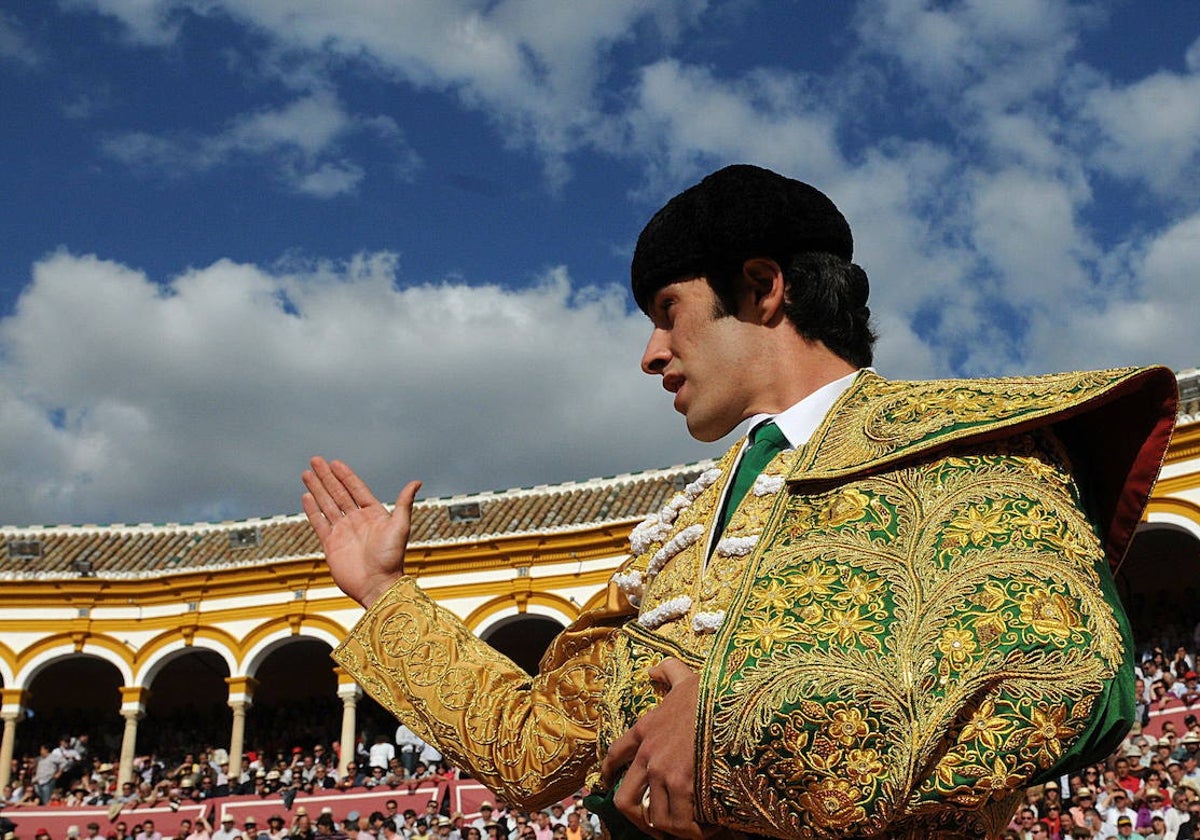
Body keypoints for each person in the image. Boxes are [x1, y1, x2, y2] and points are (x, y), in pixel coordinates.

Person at [302, 164, 1178, 839]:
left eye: (668, 311)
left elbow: (1066, 679)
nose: (650, 353)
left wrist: (729, 716)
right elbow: (537, 750)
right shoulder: (673, 535)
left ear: (763, 289)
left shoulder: (967, 447)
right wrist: (384, 595)